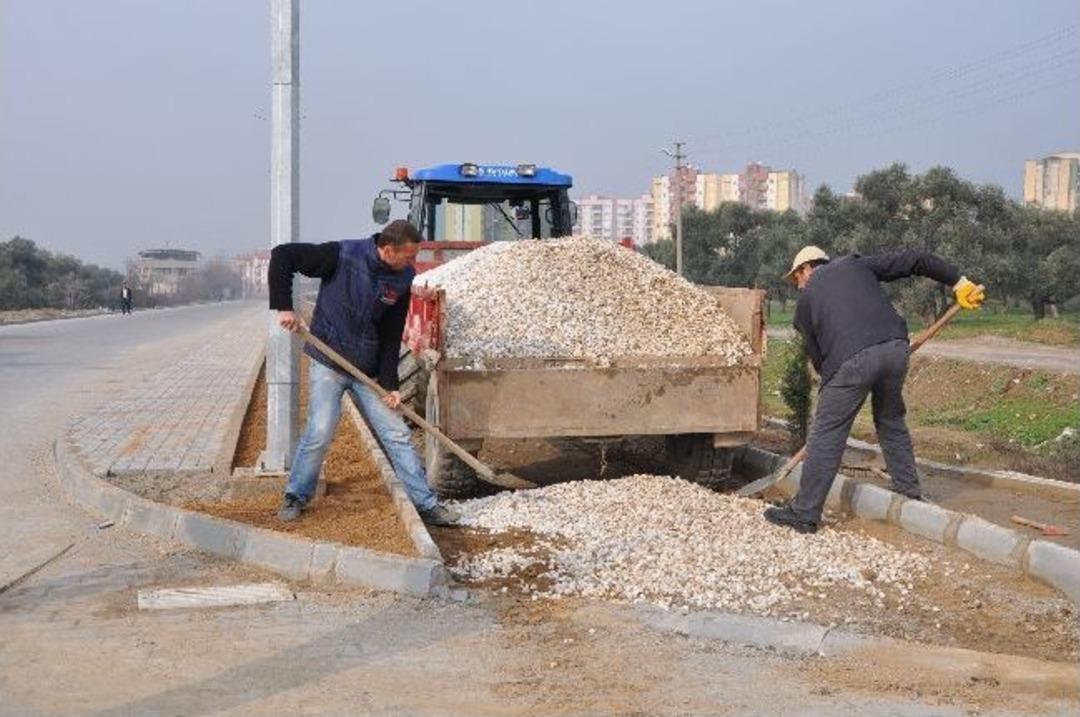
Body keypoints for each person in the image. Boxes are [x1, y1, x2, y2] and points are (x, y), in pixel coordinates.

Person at [763, 245, 985, 534]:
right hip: (895, 348)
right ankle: (909, 493)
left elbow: (818, 360)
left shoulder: (805, 304)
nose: (798, 285)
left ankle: (804, 513)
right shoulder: (856, 265)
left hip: (851, 361)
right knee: (890, 420)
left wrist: (835, 385)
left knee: (826, 432)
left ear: (806, 268)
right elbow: (914, 259)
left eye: (796, 278)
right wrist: (958, 281)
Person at [269, 219, 460, 526]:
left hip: (366, 372)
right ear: (387, 249)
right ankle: (295, 495)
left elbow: (391, 333)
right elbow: (282, 256)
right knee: (319, 432)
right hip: (329, 361)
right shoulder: (342, 255)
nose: (414, 263)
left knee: (397, 434)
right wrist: (284, 307)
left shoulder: (403, 277)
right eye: (409, 256)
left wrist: (390, 384)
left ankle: (426, 505)